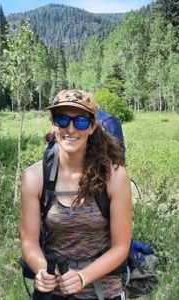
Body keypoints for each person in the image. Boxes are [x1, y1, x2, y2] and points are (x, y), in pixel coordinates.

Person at [21, 89, 132, 299]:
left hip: (104, 292)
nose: (70, 129)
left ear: (91, 127)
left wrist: (82, 277)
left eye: (80, 122)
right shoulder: (34, 177)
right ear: (53, 124)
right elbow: (29, 241)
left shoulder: (114, 176)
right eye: (62, 120)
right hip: (53, 293)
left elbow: (121, 247)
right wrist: (42, 269)